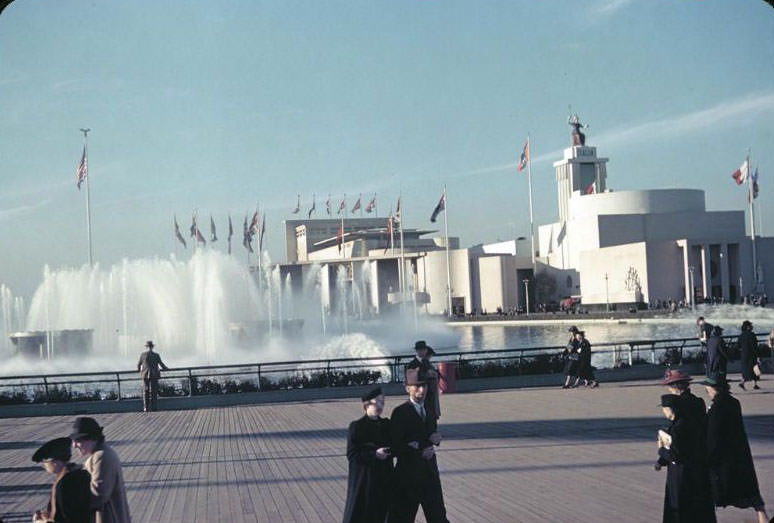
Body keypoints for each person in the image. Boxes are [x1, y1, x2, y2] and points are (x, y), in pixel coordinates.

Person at [703, 374, 770, 523]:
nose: (706, 389)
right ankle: (762, 516)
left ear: (714, 388)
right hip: (739, 451)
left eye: (707, 386)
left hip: (723, 456)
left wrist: (709, 455)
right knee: (748, 486)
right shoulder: (733, 402)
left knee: (713, 488)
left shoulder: (716, 407)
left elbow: (713, 434)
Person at [389, 369, 448, 523]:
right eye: (417, 386)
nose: (422, 390)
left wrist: (435, 439)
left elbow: (429, 436)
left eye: (425, 386)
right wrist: (419, 451)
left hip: (430, 473)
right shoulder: (400, 413)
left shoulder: (429, 410)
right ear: (407, 387)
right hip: (408, 477)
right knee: (401, 518)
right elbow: (395, 446)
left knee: (438, 517)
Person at [655, 394, 716, 523]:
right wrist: (661, 461)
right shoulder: (686, 423)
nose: (663, 411)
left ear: (671, 409)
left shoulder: (677, 428)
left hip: (681, 474)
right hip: (693, 470)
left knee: (679, 506)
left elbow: (675, 455)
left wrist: (661, 449)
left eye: (664, 408)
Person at [343, 386, 394, 523]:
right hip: (365, 481)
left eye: (382, 402)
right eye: (377, 402)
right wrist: (374, 454)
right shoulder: (357, 426)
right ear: (366, 404)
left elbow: (396, 446)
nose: (380, 405)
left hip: (384, 480)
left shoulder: (386, 424)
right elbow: (352, 454)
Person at [70, 417, 132, 523]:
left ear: (92, 438)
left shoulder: (101, 457)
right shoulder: (101, 454)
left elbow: (97, 496)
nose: (74, 445)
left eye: (78, 440)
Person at [31, 437, 92, 523]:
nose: (45, 466)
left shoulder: (64, 483)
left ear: (55, 462)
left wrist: (40, 522)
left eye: (45, 463)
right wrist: (48, 516)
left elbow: (65, 519)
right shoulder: (81, 473)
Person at [405, 340, 441, 432]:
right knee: (421, 415)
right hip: (419, 395)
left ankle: (432, 433)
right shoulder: (413, 364)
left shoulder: (426, 362)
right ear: (417, 351)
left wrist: (434, 374)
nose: (423, 352)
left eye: (424, 349)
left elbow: (436, 374)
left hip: (430, 394)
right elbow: (410, 378)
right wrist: (426, 375)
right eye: (420, 350)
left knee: (431, 415)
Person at [660, 369, 707, 436]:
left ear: (675, 387)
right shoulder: (698, 401)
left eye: (669, 386)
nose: (669, 389)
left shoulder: (676, 404)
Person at [137, 340, 169, 412]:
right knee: (154, 392)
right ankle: (154, 407)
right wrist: (166, 369)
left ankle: (146, 407)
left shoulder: (143, 355)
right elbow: (161, 364)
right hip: (154, 375)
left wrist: (140, 371)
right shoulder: (156, 355)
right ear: (152, 347)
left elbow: (139, 365)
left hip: (145, 376)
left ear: (147, 347)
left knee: (146, 391)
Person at [738, 320, 762, 390]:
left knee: (747, 370)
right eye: (751, 325)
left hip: (744, 355)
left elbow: (738, 345)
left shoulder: (741, 335)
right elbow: (754, 346)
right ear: (748, 327)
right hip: (751, 355)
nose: (752, 327)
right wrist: (758, 355)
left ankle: (755, 384)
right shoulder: (752, 335)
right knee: (753, 369)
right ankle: (743, 383)